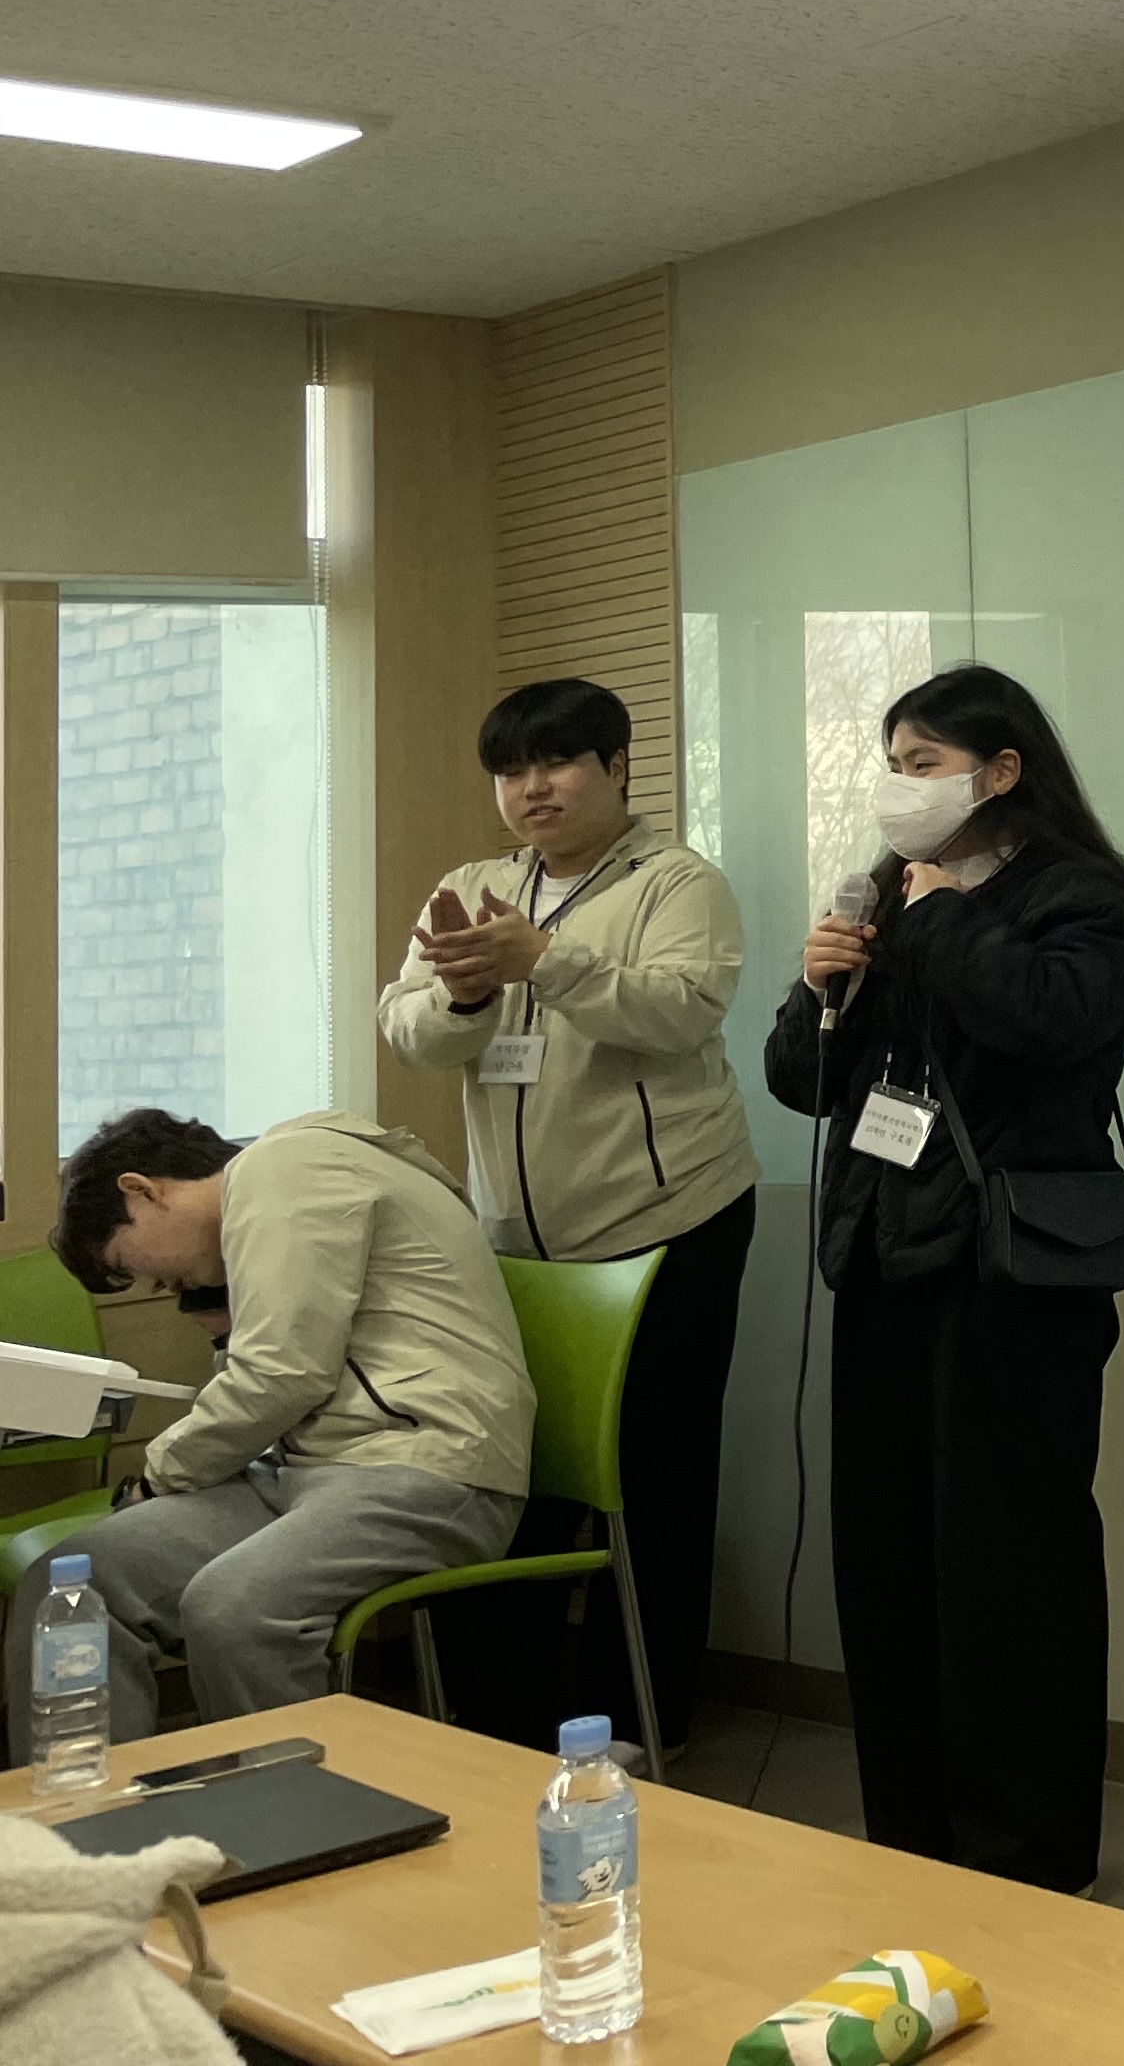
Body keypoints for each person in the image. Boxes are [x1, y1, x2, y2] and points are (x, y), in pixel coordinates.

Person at [766, 662, 1124, 1892]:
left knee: (1009, 1561)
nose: (900, 788)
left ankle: (1026, 1850)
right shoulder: (888, 895)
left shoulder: (1086, 895)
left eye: (923, 764)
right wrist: (820, 987)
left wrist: (935, 926)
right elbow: (800, 1080)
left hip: (1013, 1274)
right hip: (886, 1258)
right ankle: (914, 1833)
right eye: (893, 764)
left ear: (1000, 772)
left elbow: (1052, 1021)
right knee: (887, 1556)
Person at [378, 676, 755, 1752]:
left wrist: (544, 962)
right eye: (510, 771)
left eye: (555, 763)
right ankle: (506, 1718)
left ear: (616, 766)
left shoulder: (676, 880)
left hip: (667, 1222)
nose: (531, 789)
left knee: (653, 1478)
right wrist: (465, 995)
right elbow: (406, 1029)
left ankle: (641, 1721)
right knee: (518, 1470)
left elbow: (683, 1010)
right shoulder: (473, 885)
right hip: (514, 1241)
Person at [5, 1110, 532, 1754]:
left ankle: (295, 1809)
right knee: (69, 1583)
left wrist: (157, 1479)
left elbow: (283, 1375)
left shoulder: (285, 1167)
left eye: (129, 1260)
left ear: (141, 1191)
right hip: (304, 1470)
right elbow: (281, 1377)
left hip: (427, 1468)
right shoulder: (270, 1196)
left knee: (235, 1611)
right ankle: (82, 1809)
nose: (156, 1285)